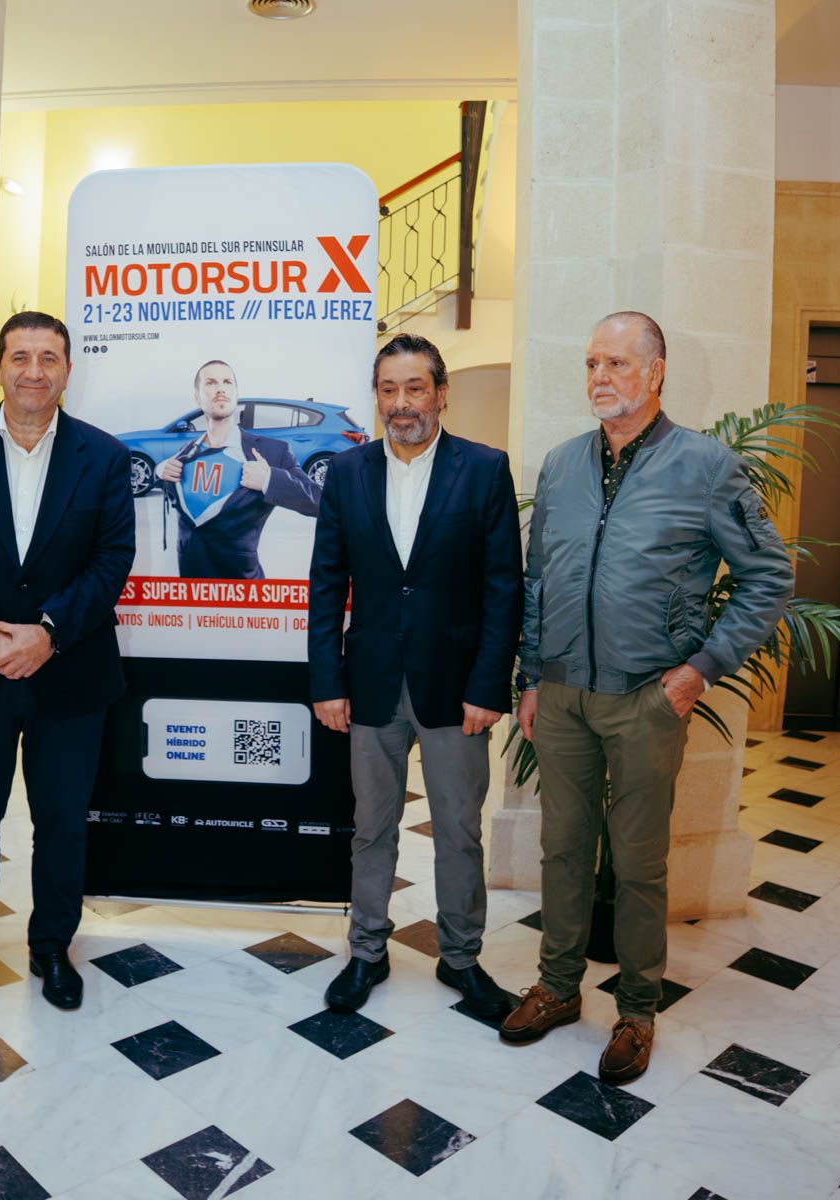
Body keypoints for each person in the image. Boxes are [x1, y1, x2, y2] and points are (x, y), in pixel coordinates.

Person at [501, 311, 793, 1083]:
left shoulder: (705, 466)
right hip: (561, 696)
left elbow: (769, 576)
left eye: (617, 364)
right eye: (592, 363)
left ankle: (636, 1010)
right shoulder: (563, 466)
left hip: (646, 699)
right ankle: (559, 988)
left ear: (655, 373)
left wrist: (701, 668)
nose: (600, 377)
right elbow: (538, 582)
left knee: (637, 862)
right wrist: (531, 675)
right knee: (562, 850)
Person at [0, 311, 135, 1010]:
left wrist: (47, 631)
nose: (33, 370)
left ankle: (51, 945)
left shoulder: (103, 456)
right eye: (20, 356)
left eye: (48, 358)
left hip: (69, 668)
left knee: (62, 817)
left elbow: (112, 559)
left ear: (67, 370)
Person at [308, 334, 523, 1019]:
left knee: (459, 827)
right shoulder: (345, 473)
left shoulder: (485, 469)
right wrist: (325, 680)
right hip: (369, 683)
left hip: (456, 688)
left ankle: (461, 957)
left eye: (415, 388)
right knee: (372, 826)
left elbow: (503, 590)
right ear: (377, 398)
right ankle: (367, 950)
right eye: (389, 390)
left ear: (441, 392)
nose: (402, 404)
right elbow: (325, 585)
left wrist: (490, 686)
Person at [156, 359, 321, 579]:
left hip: (245, 599)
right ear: (196, 396)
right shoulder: (184, 454)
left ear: (236, 393)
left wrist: (269, 480)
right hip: (190, 597)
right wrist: (159, 470)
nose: (220, 389)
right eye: (211, 383)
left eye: (227, 382)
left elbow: (321, 502)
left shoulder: (273, 452)